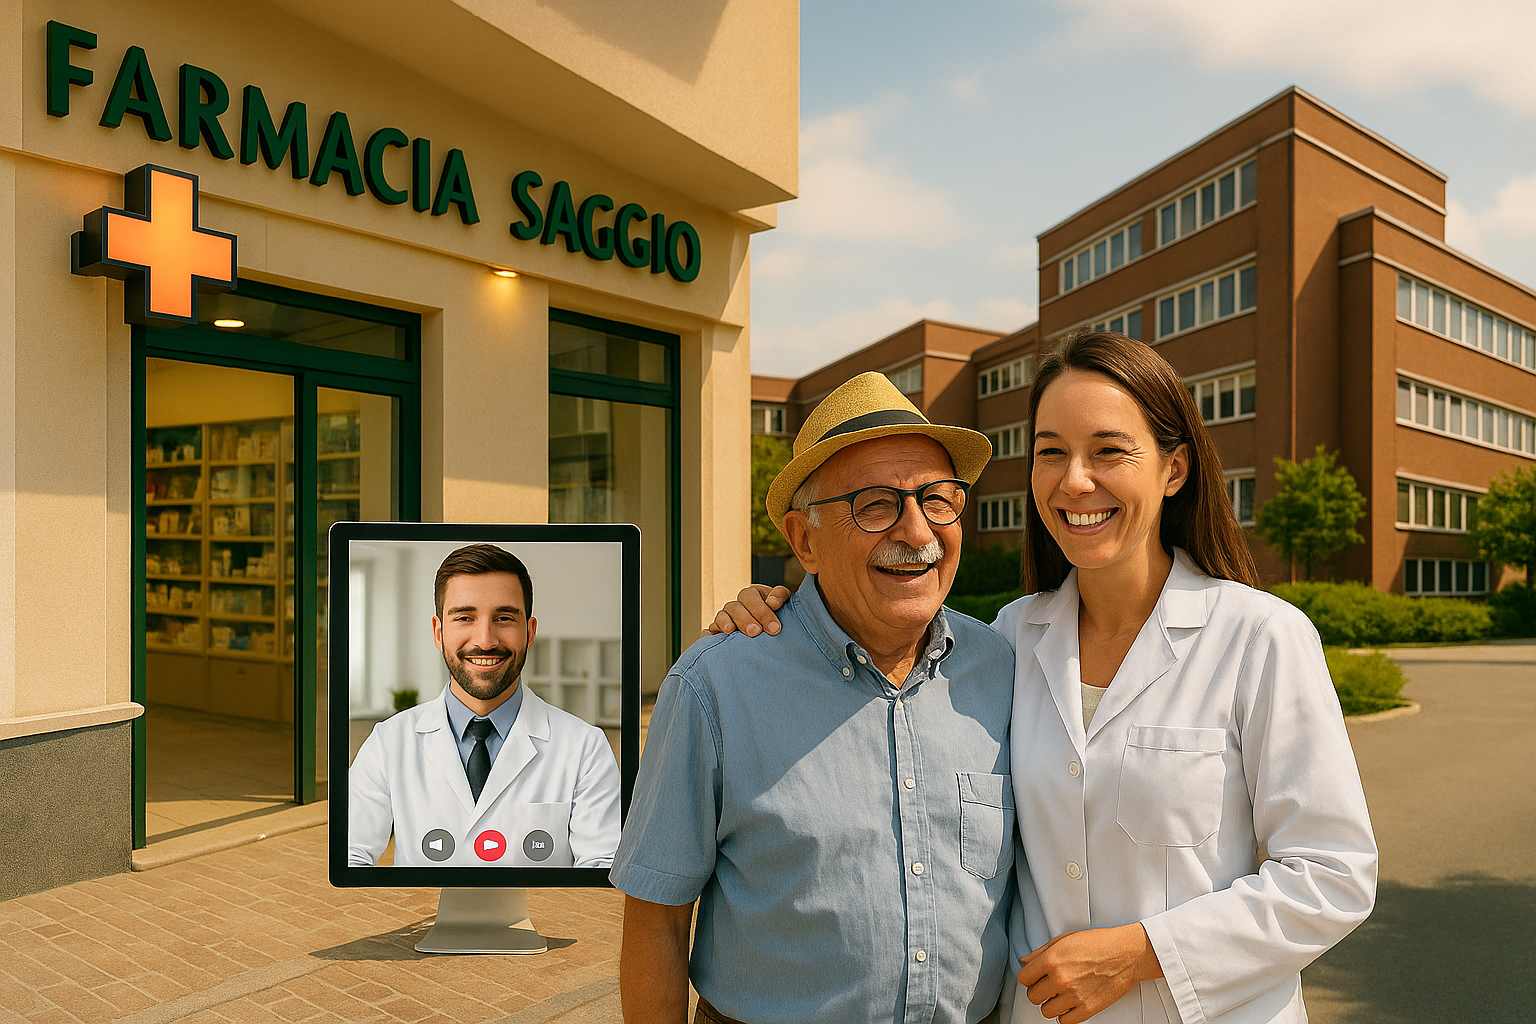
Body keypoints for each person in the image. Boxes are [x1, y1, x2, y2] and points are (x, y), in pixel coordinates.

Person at [714, 334, 1378, 1024]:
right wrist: (777, 617)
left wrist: (1145, 951)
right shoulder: (1006, 642)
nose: (1074, 481)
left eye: (1109, 451)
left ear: (1174, 469)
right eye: (1051, 452)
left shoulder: (1259, 637)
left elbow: (1333, 874)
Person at [610, 372, 1019, 1024]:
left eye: (939, 499)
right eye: (877, 503)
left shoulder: (1002, 667)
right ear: (805, 541)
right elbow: (657, 921)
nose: (918, 533)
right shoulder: (715, 687)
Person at [348, 543, 622, 868]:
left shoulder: (585, 747)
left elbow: (602, 868)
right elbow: (349, 856)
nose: (485, 640)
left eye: (504, 618)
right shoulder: (388, 742)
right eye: (465, 617)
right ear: (438, 633)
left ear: (529, 632)